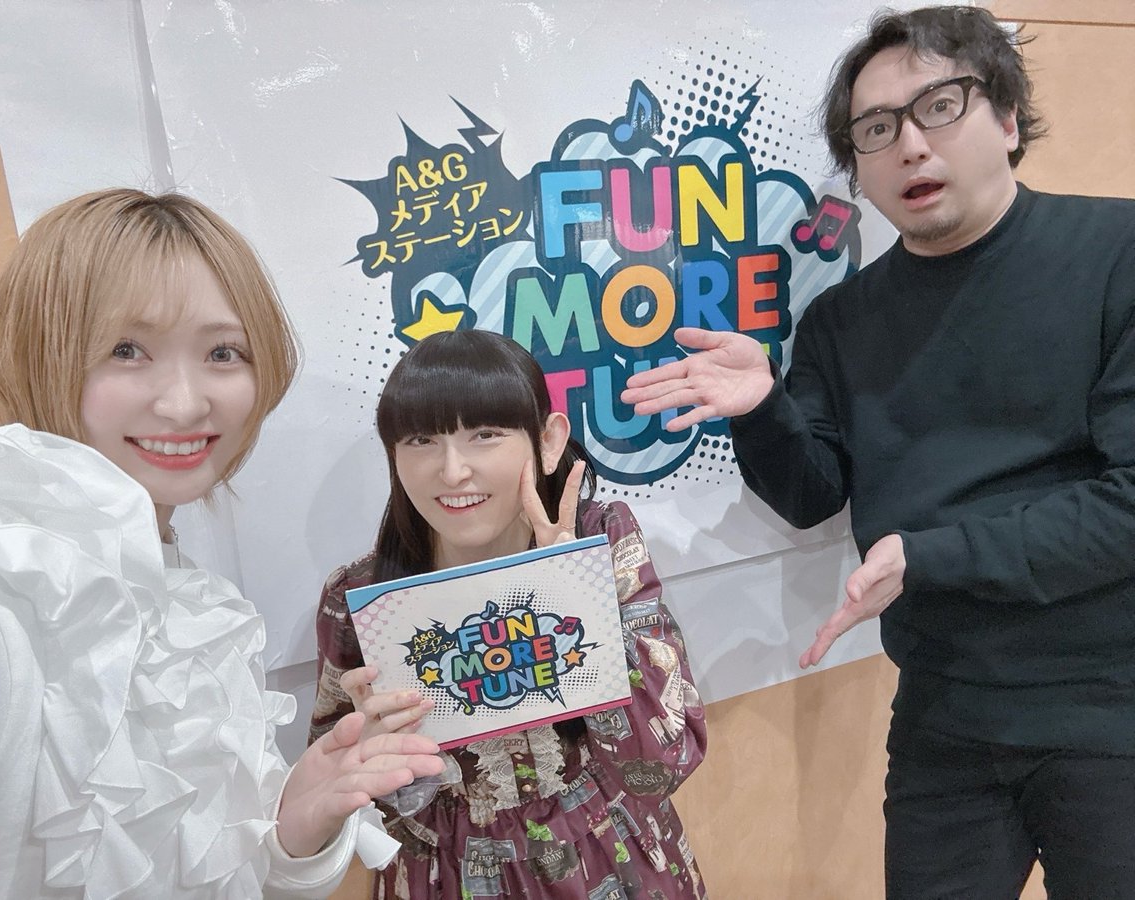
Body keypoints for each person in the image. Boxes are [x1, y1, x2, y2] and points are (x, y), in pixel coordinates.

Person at [623, 6, 1135, 898]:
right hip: (943, 718)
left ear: (1008, 120)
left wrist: (929, 555)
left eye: (940, 107)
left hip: (1110, 710)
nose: (910, 146)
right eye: (876, 129)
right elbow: (812, 493)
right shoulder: (841, 319)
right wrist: (761, 408)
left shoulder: (1117, 253)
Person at [0, 188, 444, 899]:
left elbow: (226, 873)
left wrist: (294, 829)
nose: (184, 403)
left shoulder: (200, 604)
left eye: (222, 352)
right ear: (42, 352)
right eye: (126, 350)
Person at [309, 329, 707, 899]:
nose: (453, 471)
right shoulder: (362, 597)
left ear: (548, 441)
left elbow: (663, 764)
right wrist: (377, 761)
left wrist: (571, 592)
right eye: (421, 440)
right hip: (443, 876)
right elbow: (334, 812)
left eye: (485, 435)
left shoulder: (599, 541)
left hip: (607, 858)